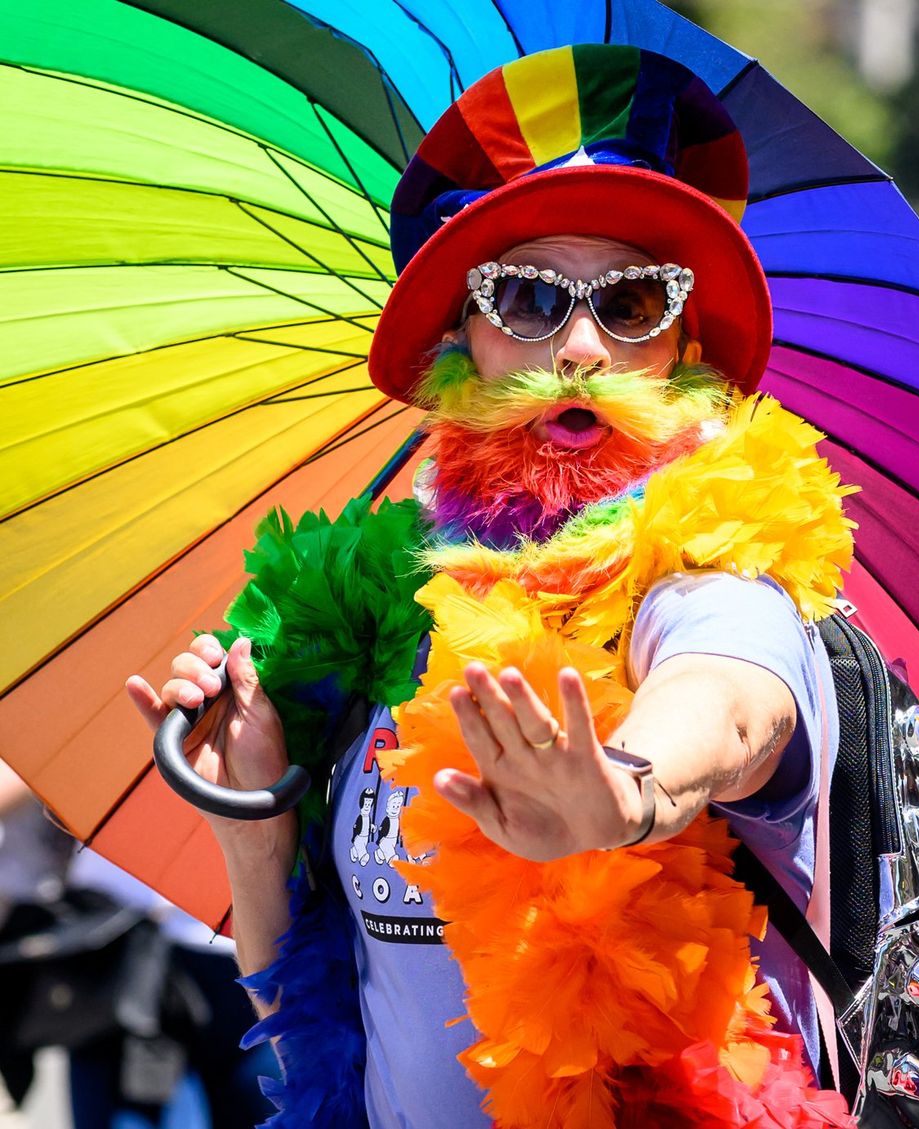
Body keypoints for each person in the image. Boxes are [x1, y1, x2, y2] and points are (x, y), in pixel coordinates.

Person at [127, 46, 856, 1128]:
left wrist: (628, 788)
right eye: (523, 297)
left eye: (631, 302)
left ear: (681, 343)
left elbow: (730, 697)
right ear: (459, 340)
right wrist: (261, 823)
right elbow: (313, 1015)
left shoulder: (710, 567)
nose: (574, 348)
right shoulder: (391, 620)